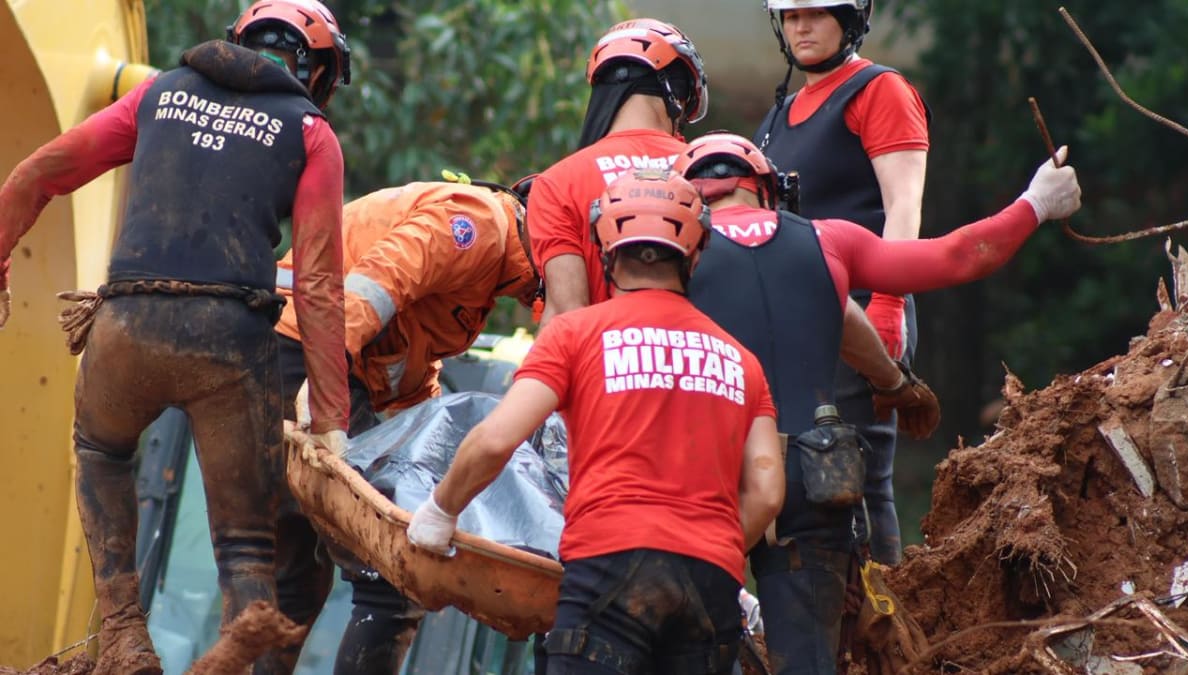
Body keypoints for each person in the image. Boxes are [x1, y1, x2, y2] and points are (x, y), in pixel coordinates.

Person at [0, 1, 352, 672]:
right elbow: (318, 287)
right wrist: (331, 419)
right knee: (248, 536)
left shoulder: (160, 91)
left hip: (126, 325)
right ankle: (249, 614)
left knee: (102, 450)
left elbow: (37, 173)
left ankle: (126, 630)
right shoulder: (311, 133)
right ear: (319, 73)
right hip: (228, 344)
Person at [675, 132, 1081, 674]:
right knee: (811, 665)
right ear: (768, 189)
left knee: (687, 653)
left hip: (709, 481)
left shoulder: (674, 257)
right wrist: (1037, 201)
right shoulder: (825, 241)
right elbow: (958, 257)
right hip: (815, 480)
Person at [408, 169, 786, 675]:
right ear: (695, 253)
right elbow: (766, 492)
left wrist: (439, 512)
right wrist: (711, 553)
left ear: (606, 248)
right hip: (711, 584)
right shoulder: (742, 361)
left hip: (607, 566)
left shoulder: (574, 335)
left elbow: (495, 441)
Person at [273, 178, 540, 674]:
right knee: (391, 576)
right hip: (307, 347)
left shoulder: (493, 269)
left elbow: (411, 350)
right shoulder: (477, 226)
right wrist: (324, 374)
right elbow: (377, 283)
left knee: (295, 577)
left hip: (309, 347)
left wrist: (429, 443)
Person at [754, 0, 929, 571]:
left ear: (852, 17)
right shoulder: (780, 113)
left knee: (855, 473)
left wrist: (888, 301)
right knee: (798, 477)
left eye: (817, 12)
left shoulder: (879, 90)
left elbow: (904, 207)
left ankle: (881, 620)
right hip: (791, 322)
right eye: (791, 14)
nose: (801, 25)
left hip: (858, 308)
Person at [527, 18, 708, 324]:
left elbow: (565, 317)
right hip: (703, 367)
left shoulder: (557, 183)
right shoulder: (705, 168)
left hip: (601, 369)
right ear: (679, 95)